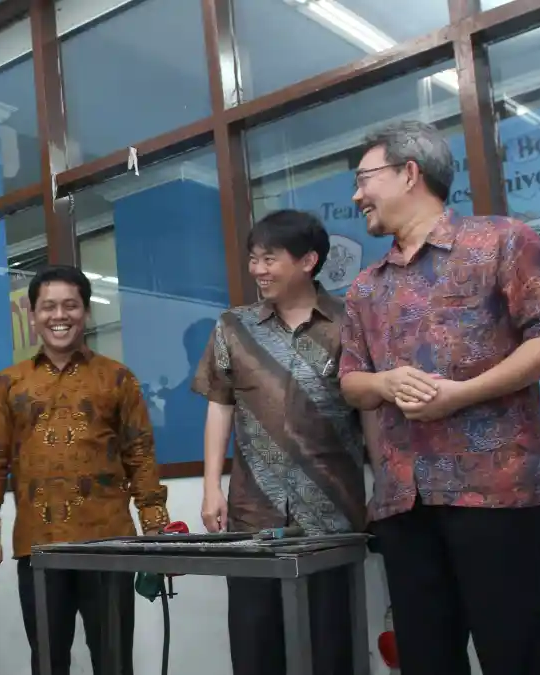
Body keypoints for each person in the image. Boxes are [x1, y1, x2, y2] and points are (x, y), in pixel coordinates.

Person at [338, 121, 540, 675]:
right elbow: (351, 380)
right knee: (426, 659)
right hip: (403, 502)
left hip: (493, 492)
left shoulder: (501, 241)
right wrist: (384, 383)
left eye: (364, 179)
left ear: (409, 173)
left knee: (516, 653)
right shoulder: (366, 286)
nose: (356, 196)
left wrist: (462, 394)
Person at [192, 210, 369, 675]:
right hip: (254, 516)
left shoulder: (350, 323)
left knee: (332, 647)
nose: (258, 270)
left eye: (269, 259)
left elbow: (371, 410)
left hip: (332, 517)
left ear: (308, 261)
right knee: (256, 645)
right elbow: (219, 405)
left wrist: (385, 487)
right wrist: (211, 488)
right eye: (253, 259)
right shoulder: (233, 326)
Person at [0, 265, 170, 675]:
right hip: (39, 546)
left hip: (108, 544)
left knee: (114, 660)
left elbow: (140, 455)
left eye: (70, 305)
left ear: (86, 312)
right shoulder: (8, 383)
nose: (59, 315)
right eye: (48, 307)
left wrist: (156, 528)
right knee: (48, 661)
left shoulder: (117, 378)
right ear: (32, 315)